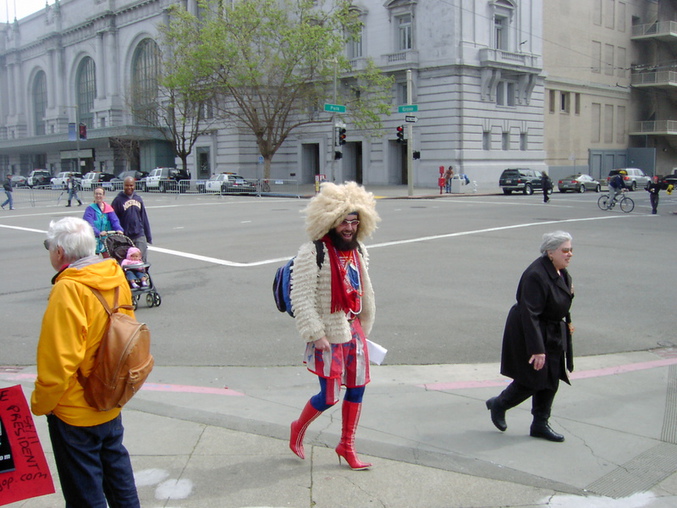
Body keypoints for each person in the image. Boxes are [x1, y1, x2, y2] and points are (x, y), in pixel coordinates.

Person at [31, 217, 141, 507]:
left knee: (84, 493)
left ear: (59, 253)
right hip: (110, 395)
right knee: (118, 478)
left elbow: (58, 361)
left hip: (76, 410)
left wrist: (41, 403)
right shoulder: (115, 275)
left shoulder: (68, 290)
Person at [288, 181, 380, 470]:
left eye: (354, 221)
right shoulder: (313, 252)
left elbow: (362, 289)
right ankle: (297, 428)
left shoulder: (358, 251)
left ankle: (347, 445)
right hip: (328, 336)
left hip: (354, 331)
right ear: (329, 221)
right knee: (328, 397)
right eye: (343, 221)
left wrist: (363, 324)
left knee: (357, 389)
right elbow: (300, 297)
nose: (349, 227)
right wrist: (316, 335)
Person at [485, 231, 575, 443]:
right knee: (533, 378)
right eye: (565, 250)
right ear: (550, 252)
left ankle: (540, 423)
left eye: (571, 250)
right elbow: (530, 313)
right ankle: (500, 404)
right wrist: (537, 349)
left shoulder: (561, 271)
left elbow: (560, 299)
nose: (569, 254)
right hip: (532, 330)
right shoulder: (536, 274)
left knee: (552, 378)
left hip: (552, 330)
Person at [112, 177, 153, 262]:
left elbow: (144, 217)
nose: (129, 187)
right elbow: (113, 219)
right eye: (127, 185)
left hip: (139, 234)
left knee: (141, 260)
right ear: (123, 186)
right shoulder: (118, 200)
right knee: (127, 261)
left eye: (131, 185)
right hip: (125, 237)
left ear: (134, 186)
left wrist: (148, 236)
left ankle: (144, 275)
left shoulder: (138, 199)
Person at [83, 186, 123, 255]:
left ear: (104, 196)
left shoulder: (108, 208)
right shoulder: (90, 209)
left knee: (108, 258)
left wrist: (119, 229)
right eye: (96, 194)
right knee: (93, 260)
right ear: (94, 195)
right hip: (94, 239)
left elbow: (114, 220)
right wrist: (98, 232)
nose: (98, 196)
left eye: (100, 194)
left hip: (106, 238)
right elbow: (89, 224)